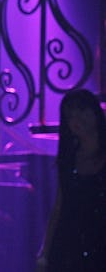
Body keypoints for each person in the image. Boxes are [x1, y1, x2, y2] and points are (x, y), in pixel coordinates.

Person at [36, 88, 106, 271]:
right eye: (70, 116)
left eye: (81, 110)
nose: (77, 119)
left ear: (94, 111)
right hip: (68, 245)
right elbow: (59, 206)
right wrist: (45, 252)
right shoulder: (68, 159)